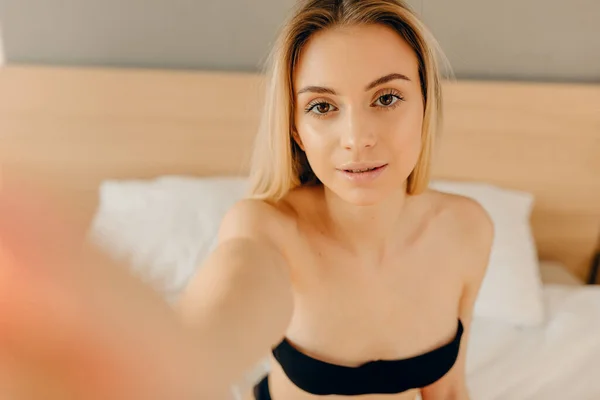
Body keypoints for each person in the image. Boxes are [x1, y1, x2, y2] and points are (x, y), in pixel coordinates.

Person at [0, 0, 493, 399]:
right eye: (322, 106)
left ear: (426, 105)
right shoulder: (265, 229)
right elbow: (223, 313)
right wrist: (163, 363)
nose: (357, 136)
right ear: (296, 129)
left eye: (386, 98)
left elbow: (447, 389)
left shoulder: (468, 229)